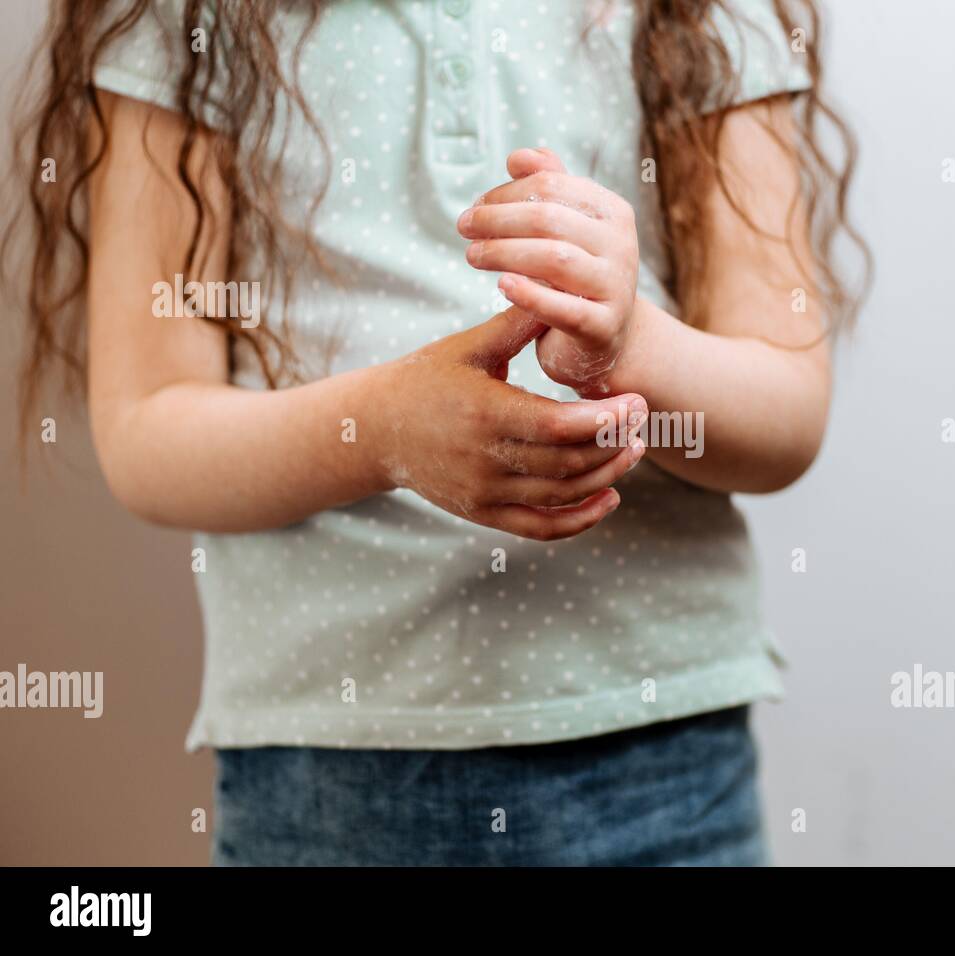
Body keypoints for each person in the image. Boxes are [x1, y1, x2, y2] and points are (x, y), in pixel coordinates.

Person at [7, 0, 865, 865]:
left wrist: (630, 346)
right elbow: (146, 430)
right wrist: (380, 433)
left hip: (661, 761)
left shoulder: (704, 13)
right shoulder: (182, 15)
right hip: (325, 781)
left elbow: (785, 413)